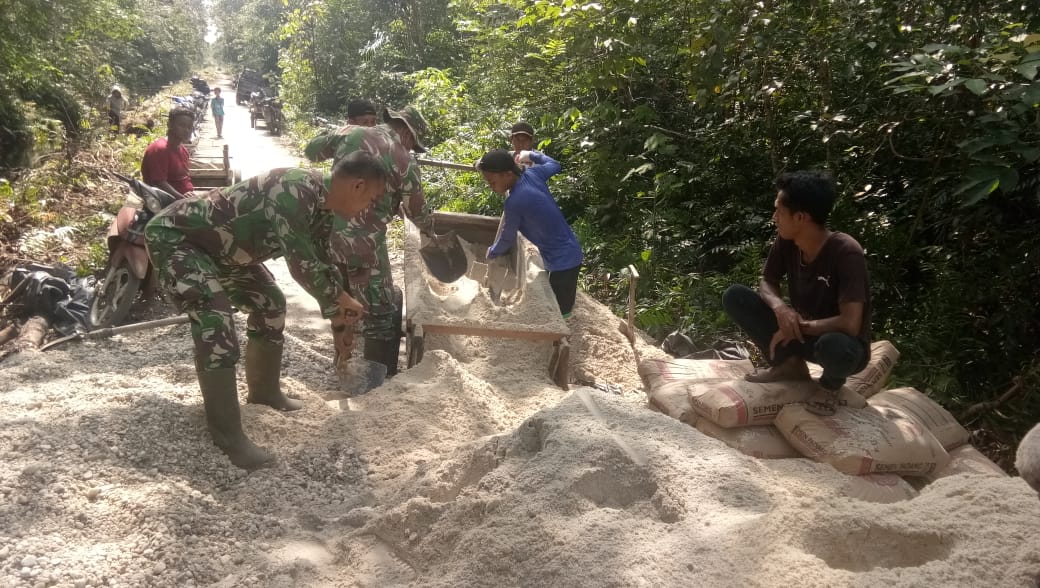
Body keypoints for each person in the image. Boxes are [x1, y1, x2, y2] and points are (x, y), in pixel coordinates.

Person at [143, 153, 387, 470]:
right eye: (371, 199)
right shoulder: (295, 190)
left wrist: (341, 323)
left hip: (223, 252)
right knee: (215, 325)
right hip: (178, 239)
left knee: (270, 303)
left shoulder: (323, 210)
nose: (368, 208)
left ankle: (264, 393)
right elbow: (301, 264)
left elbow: (324, 267)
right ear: (357, 185)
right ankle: (228, 437)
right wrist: (339, 301)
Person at [722, 171, 872, 416]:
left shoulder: (846, 251)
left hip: (838, 345)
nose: (774, 218)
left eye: (779, 212)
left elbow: (850, 324)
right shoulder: (787, 241)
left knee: (837, 346)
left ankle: (830, 385)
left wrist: (799, 326)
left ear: (800, 217)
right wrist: (781, 309)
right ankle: (789, 364)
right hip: (797, 336)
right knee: (735, 296)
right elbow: (767, 281)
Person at [302, 106, 432, 377]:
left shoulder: (350, 132)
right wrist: (432, 230)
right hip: (365, 247)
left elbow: (311, 150)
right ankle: (375, 383)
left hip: (327, 235)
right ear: (406, 131)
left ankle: (342, 362)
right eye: (413, 141)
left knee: (341, 300)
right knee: (381, 314)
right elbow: (417, 212)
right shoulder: (403, 160)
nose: (411, 147)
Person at [477, 148, 583, 318]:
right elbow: (555, 165)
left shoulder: (515, 201)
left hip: (562, 262)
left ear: (507, 174)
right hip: (566, 253)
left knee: (558, 313)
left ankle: (560, 339)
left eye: (492, 182)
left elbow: (507, 237)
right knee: (555, 301)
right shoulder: (533, 174)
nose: (490, 186)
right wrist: (531, 154)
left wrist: (493, 252)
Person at [141, 107, 194, 199]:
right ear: (169, 125)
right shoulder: (160, 149)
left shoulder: (183, 150)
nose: (186, 130)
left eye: (189, 127)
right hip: (167, 201)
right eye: (182, 125)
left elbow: (183, 178)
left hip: (187, 198)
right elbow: (159, 183)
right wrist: (182, 198)